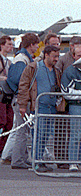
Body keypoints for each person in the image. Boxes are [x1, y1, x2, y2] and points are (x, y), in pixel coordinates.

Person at [19, 43, 62, 173]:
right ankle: (36, 161)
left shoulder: (56, 71)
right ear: (46, 55)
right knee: (38, 134)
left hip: (51, 107)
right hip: (39, 107)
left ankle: (40, 159)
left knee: (46, 135)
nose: (56, 59)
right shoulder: (33, 68)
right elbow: (23, 86)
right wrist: (22, 105)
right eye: (54, 56)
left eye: (58, 56)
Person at [6, 34, 39, 169]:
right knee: (21, 131)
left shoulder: (22, 58)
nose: (37, 47)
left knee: (22, 130)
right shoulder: (22, 59)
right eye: (36, 44)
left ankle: (21, 158)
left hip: (19, 98)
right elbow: (18, 79)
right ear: (31, 45)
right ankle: (17, 159)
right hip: (20, 99)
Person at [0, 35, 14, 156]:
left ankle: (3, 148)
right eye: (8, 44)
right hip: (1, 94)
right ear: (2, 45)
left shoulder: (9, 61)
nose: (11, 47)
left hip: (7, 94)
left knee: (9, 122)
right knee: (2, 121)